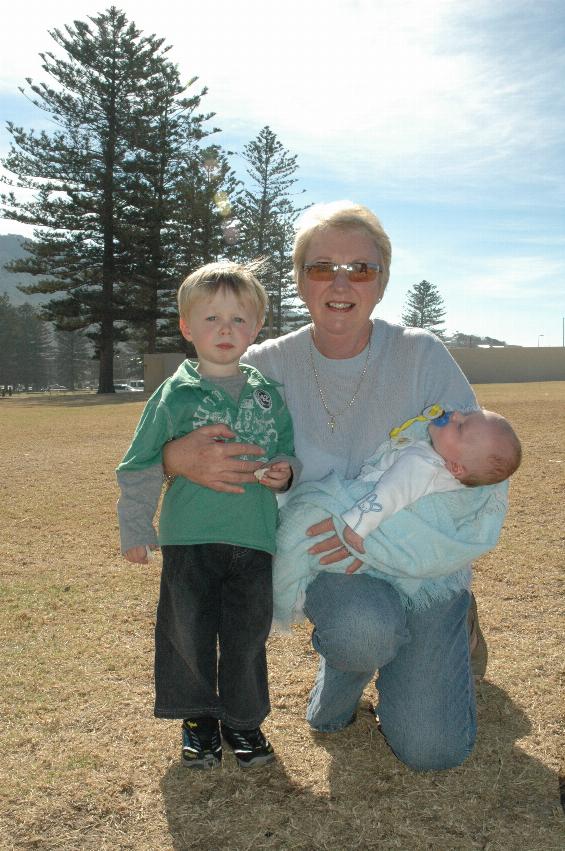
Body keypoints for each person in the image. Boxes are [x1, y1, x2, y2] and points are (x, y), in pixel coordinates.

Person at [162, 200, 508, 772]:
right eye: (322, 267)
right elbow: (179, 424)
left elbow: (477, 483)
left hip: (421, 563)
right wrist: (176, 456)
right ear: (299, 280)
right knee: (361, 631)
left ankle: (453, 622)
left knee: (432, 751)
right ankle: (353, 653)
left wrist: (381, 538)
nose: (341, 282)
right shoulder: (263, 364)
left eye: (361, 269)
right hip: (337, 566)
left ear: (382, 282)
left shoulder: (421, 354)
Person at [116, 261, 299, 770]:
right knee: (188, 632)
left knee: (246, 637)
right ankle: (197, 721)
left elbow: (286, 451)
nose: (225, 330)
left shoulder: (268, 393)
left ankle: (243, 722)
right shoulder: (173, 394)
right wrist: (136, 528)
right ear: (186, 327)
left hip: (255, 538)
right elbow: (140, 463)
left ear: (256, 329)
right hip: (189, 540)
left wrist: (285, 472)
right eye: (212, 318)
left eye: (238, 319)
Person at [272, 405, 521, 628]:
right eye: (464, 414)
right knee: (315, 552)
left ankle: (283, 600)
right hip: (390, 548)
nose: (455, 413)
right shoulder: (455, 479)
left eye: (460, 426)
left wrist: (357, 525)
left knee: (295, 533)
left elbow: (390, 493)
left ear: (457, 467)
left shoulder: (422, 461)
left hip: (359, 517)